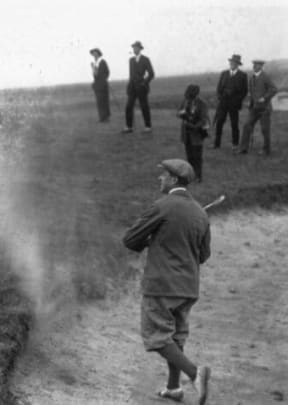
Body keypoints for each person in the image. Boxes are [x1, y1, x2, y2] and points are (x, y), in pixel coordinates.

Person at [123, 158, 212, 405]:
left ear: (174, 180)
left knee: (156, 336)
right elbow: (204, 255)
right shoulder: (200, 213)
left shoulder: (162, 206)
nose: (159, 178)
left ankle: (196, 373)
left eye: (163, 175)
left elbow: (130, 239)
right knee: (175, 338)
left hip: (161, 285)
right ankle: (174, 388)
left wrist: (149, 240)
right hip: (188, 288)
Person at [239, 59, 277, 156]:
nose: (254, 66)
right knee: (247, 125)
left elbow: (274, 89)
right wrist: (250, 103)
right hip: (254, 108)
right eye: (254, 65)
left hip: (265, 108)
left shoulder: (265, 77)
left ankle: (266, 150)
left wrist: (264, 98)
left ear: (261, 66)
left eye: (256, 65)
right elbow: (251, 93)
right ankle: (243, 149)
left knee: (265, 129)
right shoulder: (252, 78)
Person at [214, 54, 248, 151]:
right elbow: (219, 88)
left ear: (238, 64)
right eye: (231, 62)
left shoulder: (243, 75)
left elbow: (244, 91)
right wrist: (220, 97)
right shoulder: (224, 73)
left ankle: (235, 144)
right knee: (219, 122)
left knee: (234, 124)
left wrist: (237, 100)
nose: (232, 64)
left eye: (234, 63)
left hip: (234, 104)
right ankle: (217, 144)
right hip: (223, 103)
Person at [177, 84, 209, 182]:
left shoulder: (202, 104)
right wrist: (183, 114)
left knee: (197, 156)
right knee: (189, 156)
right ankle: (191, 175)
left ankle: (198, 176)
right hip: (187, 133)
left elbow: (204, 119)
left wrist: (194, 126)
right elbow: (178, 112)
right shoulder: (185, 101)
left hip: (197, 134)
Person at [123, 41, 155, 133]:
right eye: (133, 48)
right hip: (132, 87)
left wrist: (144, 83)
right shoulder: (131, 60)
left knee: (144, 106)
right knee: (128, 106)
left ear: (140, 49)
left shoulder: (145, 59)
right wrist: (129, 86)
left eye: (136, 48)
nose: (134, 49)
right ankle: (129, 127)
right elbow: (131, 75)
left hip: (142, 87)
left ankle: (148, 126)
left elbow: (151, 74)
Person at [90, 48, 111, 122]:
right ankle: (101, 117)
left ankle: (106, 117)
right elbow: (94, 74)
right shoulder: (93, 63)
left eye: (96, 53)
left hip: (103, 84)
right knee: (99, 101)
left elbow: (107, 72)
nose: (94, 55)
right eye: (93, 53)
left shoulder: (102, 62)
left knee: (104, 100)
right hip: (97, 85)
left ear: (99, 54)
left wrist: (104, 80)